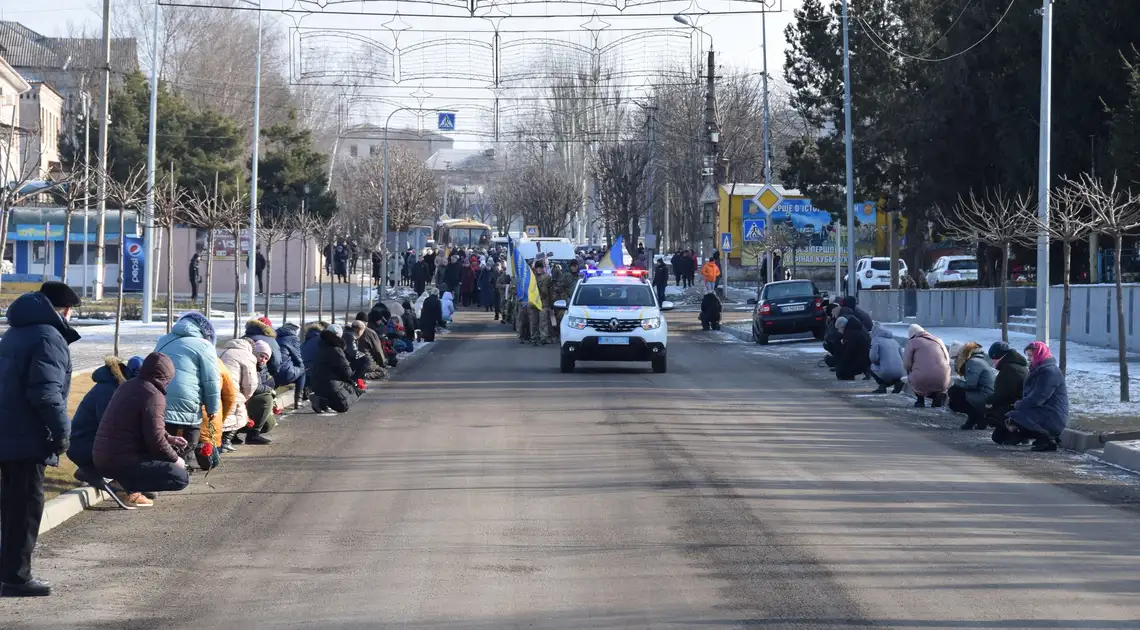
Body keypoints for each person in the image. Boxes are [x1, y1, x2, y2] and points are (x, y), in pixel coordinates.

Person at [0, 282, 81, 596]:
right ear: (64, 310)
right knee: (27, 507)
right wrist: (62, 434)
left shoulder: (15, 333)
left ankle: (9, 570)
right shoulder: (49, 337)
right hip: (27, 436)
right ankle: (16, 578)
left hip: (8, 433)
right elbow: (47, 395)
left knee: (12, 505)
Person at [93, 353, 190, 508]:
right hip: (121, 460)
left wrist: (169, 438)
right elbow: (156, 441)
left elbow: (146, 426)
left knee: (164, 463)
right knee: (180, 477)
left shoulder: (128, 385)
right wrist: (176, 460)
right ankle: (126, 487)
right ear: (166, 376)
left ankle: (129, 485)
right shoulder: (153, 395)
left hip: (105, 456)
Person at [154, 312, 222, 467]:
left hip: (159, 391)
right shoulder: (204, 345)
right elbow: (211, 381)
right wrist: (212, 408)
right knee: (191, 428)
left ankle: (165, 465)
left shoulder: (163, 340)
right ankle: (183, 464)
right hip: (188, 395)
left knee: (166, 429)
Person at [68, 356, 142, 475]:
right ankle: (125, 486)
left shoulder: (117, 388)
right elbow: (111, 428)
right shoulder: (109, 391)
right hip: (83, 446)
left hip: (88, 444)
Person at [1000, 341, 1069, 452]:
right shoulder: (1038, 370)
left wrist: (1018, 406)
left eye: (1031, 355)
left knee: (1014, 417)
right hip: (1044, 412)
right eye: (1028, 355)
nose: (1028, 359)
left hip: (1053, 416)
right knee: (1007, 424)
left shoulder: (1049, 372)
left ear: (1040, 354)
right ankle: (1039, 437)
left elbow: (1038, 397)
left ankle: (1048, 439)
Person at [217, 338, 258, 452]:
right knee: (238, 413)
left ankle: (216, 441)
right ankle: (226, 441)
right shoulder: (247, 356)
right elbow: (250, 383)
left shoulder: (220, 351)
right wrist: (245, 396)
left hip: (214, 386)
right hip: (231, 388)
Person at [310, 324, 361, 413]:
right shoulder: (336, 350)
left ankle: (321, 400)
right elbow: (347, 372)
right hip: (329, 384)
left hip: (315, 382)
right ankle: (321, 401)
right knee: (348, 399)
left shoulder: (319, 345)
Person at [948, 341, 997, 430]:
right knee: (957, 391)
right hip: (986, 393)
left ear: (961, 355)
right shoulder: (976, 360)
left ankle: (979, 417)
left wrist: (957, 382)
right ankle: (976, 419)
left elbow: (970, 385)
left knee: (955, 393)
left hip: (985, 396)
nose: (955, 361)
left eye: (955, 358)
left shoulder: (972, 362)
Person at [983, 341, 1029, 432]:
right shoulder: (1016, 366)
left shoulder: (1009, 370)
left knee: (990, 413)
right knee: (998, 437)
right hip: (1021, 406)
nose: (993, 362)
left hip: (1017, 407)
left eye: (994, 359)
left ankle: (1017, 433)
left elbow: (1004, 394)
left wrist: (988, 400)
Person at [903, 324, 950, 408]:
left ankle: (920, 400)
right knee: (936, 382)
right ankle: (937, 399)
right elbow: (947, 359)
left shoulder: (912, 342)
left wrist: (910, 371)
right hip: (943, 379)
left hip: (921, 379)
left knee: (914, 376)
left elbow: (907, 364)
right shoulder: (938, 340)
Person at [244, 341, 277, 444]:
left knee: (269, 423)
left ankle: (248, 431)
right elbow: (252, 387)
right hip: (241, 400)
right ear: (255, 354)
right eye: (261, 356)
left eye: (266, 358)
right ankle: (252, 434)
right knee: (266, 398)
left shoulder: (262, 370)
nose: (263, 360)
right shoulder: (248, 365)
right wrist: (269, 390)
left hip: (249, 402)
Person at [868, 324, 905, 394]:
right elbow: (902, 356)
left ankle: (882, 387)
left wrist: (878, 363)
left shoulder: (875, 340)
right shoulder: (894, 341)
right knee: (891, 370)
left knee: (871, 367)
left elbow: (873, 358)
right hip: (900, 372)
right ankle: (898, 383)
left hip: (886, 372)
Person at [243, 317, 282, 381]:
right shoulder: (271, 341)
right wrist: (269, 374)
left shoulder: (242, 338)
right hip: (259, 376)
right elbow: (276, 363)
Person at [530, 260, 555, 346]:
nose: (539, 269)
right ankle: (534, 338)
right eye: (538, 268)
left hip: (544, 302)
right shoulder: (532, 277)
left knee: (543, 321)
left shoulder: (547, 277)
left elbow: (551, 290)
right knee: (534, 321)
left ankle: (543, 337)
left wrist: (552, 303)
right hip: (534, 302)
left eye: (541, 267)